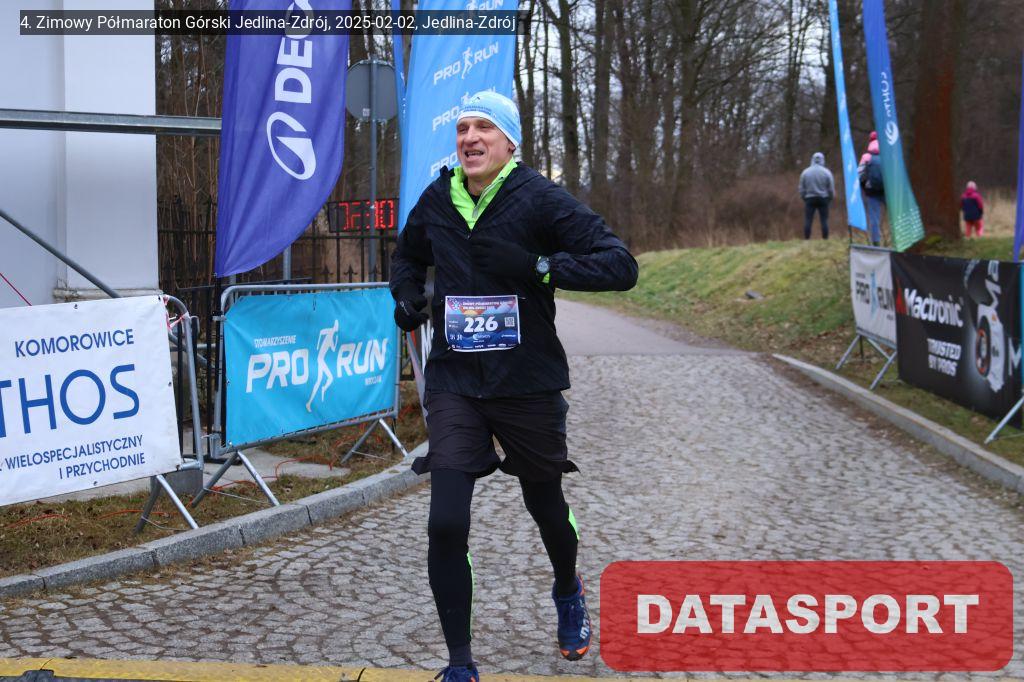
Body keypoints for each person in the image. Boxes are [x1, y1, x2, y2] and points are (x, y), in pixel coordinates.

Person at [389, 90, 638, 682]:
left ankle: (567, 588)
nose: (469, 138)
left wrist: (538, 267)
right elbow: (406, 257)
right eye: (462, 128)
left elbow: (620, 265)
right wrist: (406, 297)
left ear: (509, 141)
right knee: (446, 522)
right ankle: (460, 664)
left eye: (483, 128)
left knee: (545, 506)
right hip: (456, 382)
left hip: (526, 383)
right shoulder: (439, 198)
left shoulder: (539, 198)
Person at [798, 152, 835, 240]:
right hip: (823, 198)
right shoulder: (827, 172)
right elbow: (831, 188)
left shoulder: (805, 172)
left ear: (812, 159)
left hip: (809, 199)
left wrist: (804, 197)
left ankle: (807, 239)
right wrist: (830, 197)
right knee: (824, 220)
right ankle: (825, 239)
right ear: (823, 160)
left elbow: (801, 188)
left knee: (808, 219)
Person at [858, 132, 885, 246]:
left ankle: (876, 242)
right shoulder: (887, 155)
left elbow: (859, 174)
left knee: (874, 218)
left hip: (872, 191)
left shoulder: (866, 157)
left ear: (870, 141)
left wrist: (863, 186)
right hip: (887, 191)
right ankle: (898, 239)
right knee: (895, 214)